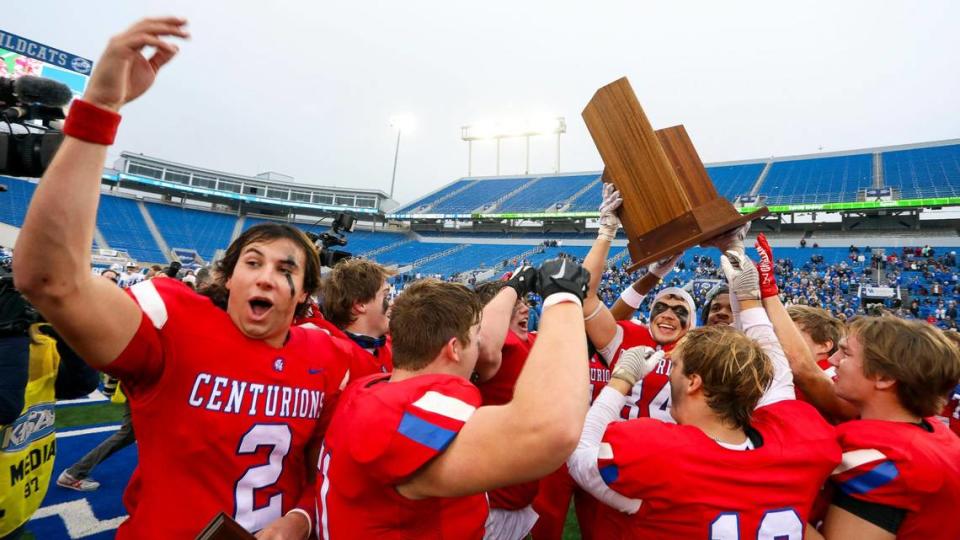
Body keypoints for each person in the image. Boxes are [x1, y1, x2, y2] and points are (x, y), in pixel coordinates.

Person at [13, 18, 349, 539]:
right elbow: (50, 278)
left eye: (286, 270)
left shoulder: (327, 356)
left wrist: (300, 517)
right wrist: (101, 107)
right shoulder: (176, 324)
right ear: (229, 278)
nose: (264, 278)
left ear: (303, 294)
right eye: (253, 263)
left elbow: (327, 462)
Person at [567, 247, 841, 538]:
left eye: (677, 366)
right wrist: (748, 299)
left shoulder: (660, 453)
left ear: (694, 381)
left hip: (638, 466)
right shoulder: (797, 442)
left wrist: (620, 380)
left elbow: (580, 457)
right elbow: (779, 383)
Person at [316, 260, 591, 539]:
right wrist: (563, 297)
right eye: (476, 339)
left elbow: (488, 340)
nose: (482, 345)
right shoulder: (398, 417)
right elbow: (549, 432)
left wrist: (511, 287)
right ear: (454, 349)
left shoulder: (375, 388)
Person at [814, 318, 960, 539]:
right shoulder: (930, 430)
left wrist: (768, 500)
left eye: (846, 353)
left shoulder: (890, 457)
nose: (833, 360)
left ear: (885, 377)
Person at [319, 258, 395, 376]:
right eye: (385, 296)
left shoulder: (392, 346)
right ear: (360, 304)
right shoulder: (336, 359)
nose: (391, 303)